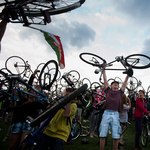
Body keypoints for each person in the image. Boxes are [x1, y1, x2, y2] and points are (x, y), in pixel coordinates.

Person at [99, 67, 133, 150]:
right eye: (114, 83)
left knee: (116, 136)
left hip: (115, 114)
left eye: (117, 84)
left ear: (118, 86)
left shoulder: (120, 92)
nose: (115, 84)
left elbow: (125, 83)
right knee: (102, 134)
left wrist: (128, 74)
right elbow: (105, 79)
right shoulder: (108, 90)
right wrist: (104, 69)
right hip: (106, 113)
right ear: (111, 86)